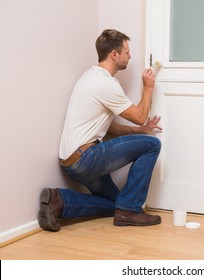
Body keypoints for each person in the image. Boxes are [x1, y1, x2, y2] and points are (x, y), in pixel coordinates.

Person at [38, 29, 162, 232]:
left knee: (116, 204)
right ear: (114, 54)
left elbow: (109, 128)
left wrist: (140, 129)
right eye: (127, 52)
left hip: (72, 161)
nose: (130, 56)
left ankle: (60, 200)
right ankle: (131, 210)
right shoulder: (105, 84)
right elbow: (140, 114)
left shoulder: (89, 77)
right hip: (86, 158)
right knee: (152, 145)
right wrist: (148, 87)